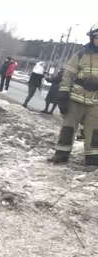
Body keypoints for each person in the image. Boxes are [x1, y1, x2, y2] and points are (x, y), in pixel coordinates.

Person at [49, 23, 98, 165]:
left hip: (95, 101)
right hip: (76, 98)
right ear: (92, 38)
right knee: (68, 127)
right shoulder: (81, 54)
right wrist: (63, 94)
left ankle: (92, 161)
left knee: (94, 131)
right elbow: (68, 74)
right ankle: (61, 156)